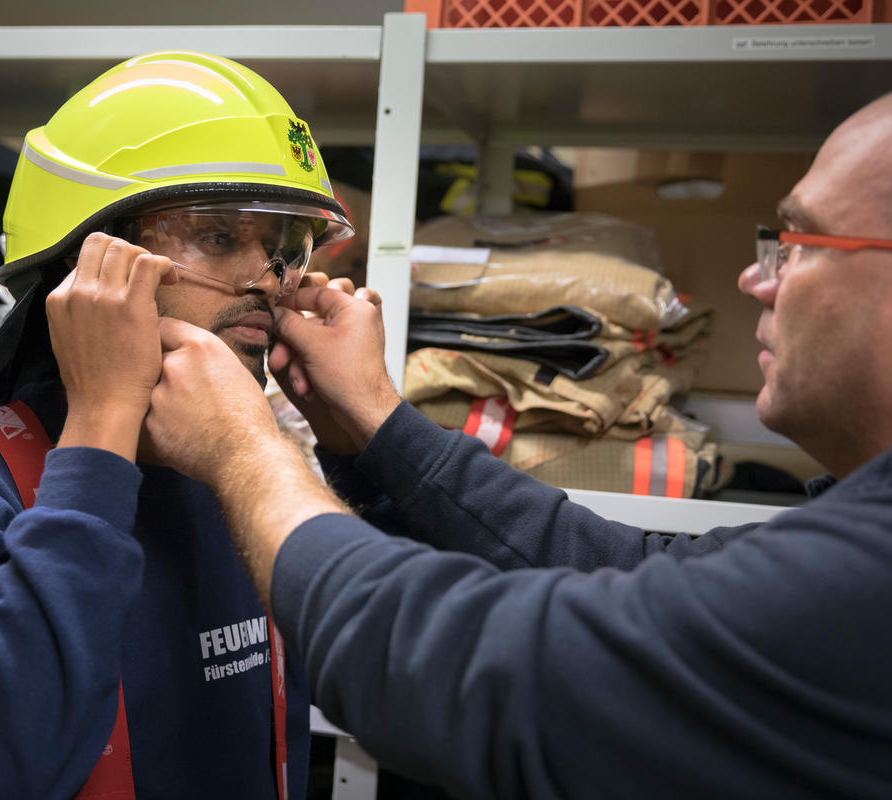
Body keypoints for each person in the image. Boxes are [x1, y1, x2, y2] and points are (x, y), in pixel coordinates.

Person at [143, 93, 892, 799]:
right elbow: (619, 569)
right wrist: (377, 428)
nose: (756, 277)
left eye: (799, 243)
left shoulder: (863, 578)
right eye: (215, 238)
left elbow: (455, 668)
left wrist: (248, 452)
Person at [0, 51, 355, 799]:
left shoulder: (250, 470)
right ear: (85, 269)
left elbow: (399, 683)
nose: (266, 279)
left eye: (282, 246)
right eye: (219, 236)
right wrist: (100, 426)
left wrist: (356, 437)